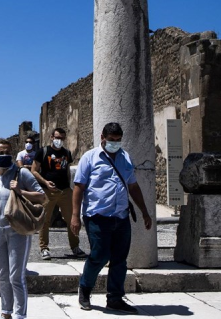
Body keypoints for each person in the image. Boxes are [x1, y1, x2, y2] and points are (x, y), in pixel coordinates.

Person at [71, 122, 153, 314]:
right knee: (99, 256)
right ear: (103, 137)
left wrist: (144, 211)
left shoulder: (125, 158)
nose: (114, 143)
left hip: (121, 216)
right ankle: (85, 288)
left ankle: (115, 298)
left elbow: (133, 186)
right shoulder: (90, 158)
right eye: (111, 140)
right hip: (97, 216)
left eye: (118, 140)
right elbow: (79, 187)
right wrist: (75, 216)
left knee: (120, 259)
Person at [0, 138, 45, 319]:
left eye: (6, 152)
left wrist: (21, 191)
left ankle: (20, 315)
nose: (3, 155)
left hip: (17, 229)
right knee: (2, 276)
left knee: (16, 277)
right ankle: (6, 313)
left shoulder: (21, 173)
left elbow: (41, 197)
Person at [31, 127, 86, 260]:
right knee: (45, 220)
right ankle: (44, 248)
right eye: (57, 138)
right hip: (48, 191)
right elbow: (34, 170)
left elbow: (67, 170)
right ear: (51, 137)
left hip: (65, 190)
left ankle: (75, 247)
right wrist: (45, 182)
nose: (59, 140)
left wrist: (70, 187)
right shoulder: (42, 152)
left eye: (62, 138)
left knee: (72, 219)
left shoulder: (66, 153)